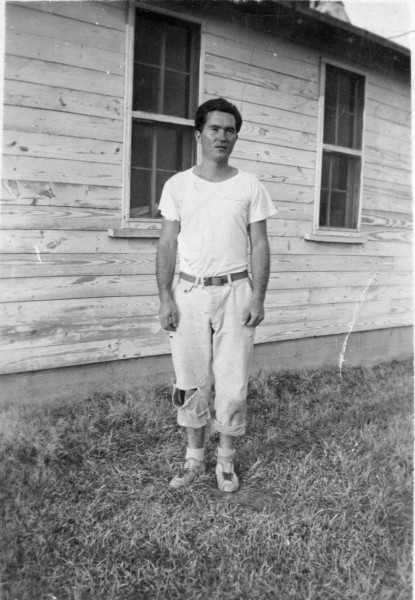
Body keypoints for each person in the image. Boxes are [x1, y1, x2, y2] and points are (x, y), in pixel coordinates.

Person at [156, 97, 276, 492]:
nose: (222, 136)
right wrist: (165, 296)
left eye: (229, 130)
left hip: (236, 292)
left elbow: (259, 245)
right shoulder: (177, 185)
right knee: (190, 378)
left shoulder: (249, 185)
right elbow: (167, 244)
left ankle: (225, 461)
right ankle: (194, 459)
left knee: (232, 379)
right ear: (199, 134)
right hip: (188, 291)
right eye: (215, 129)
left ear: (235, 137)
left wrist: (258, 296)